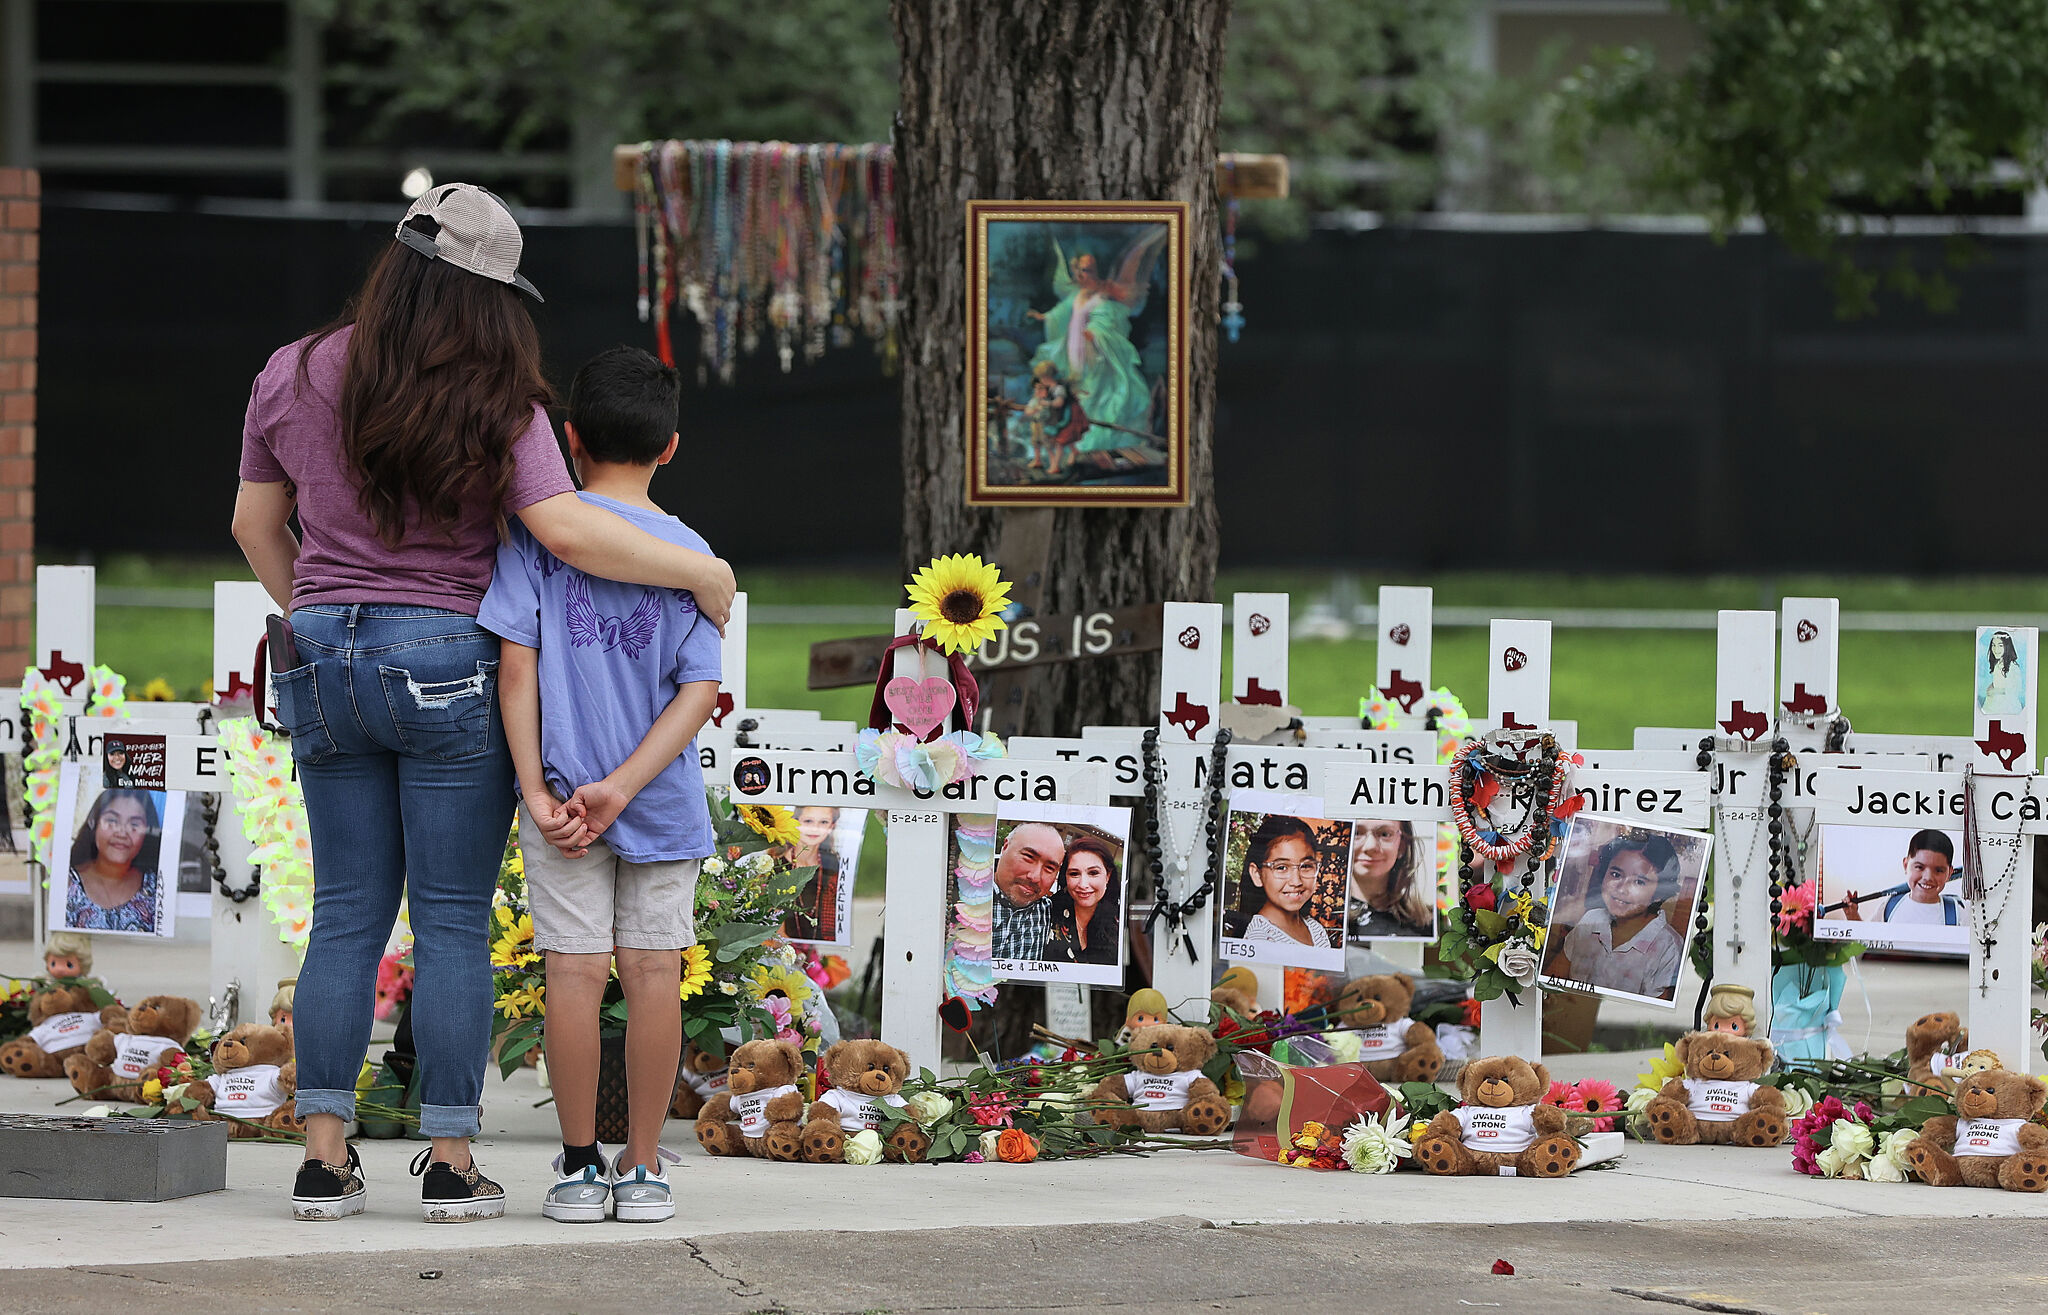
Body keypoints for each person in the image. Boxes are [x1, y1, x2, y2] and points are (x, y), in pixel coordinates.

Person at [233, 183, 735, 1225]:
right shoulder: (498, 394)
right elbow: (564, 531)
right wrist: (704, 575)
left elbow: (252, 522)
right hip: (450, 661)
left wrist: (330, 620)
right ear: (487, 295)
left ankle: (323, 1160)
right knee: (453, 916)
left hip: (321, 650)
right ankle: (452, 1162)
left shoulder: (293, 367)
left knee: (344, 914)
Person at [482, 345, 723, 1225]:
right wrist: (625, 785)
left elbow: (517, 671)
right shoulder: (693, 555)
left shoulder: (540, 540)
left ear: (569, 438)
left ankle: (580, 1166)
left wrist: (538, 794)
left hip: (560, 803)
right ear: (669, 449)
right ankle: (647, 1164)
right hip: (655, 801)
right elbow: (701, 689)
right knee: (656, 969)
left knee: (573, 974)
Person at [1547, 834, 1686, 999]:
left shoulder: (1669, 947)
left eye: (1639, 882)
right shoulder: (1591, 919)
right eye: (1616, 874)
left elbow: (1652, 1017)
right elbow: (1552, 981)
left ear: (1658, 894)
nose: (1621, 888)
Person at [1222, 816, 1335, 949]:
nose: (1296, 881)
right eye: (1281, 867)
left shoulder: (1315, 929)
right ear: (1257, 874)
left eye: (1306, 866)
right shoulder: (1259, 938)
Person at [65, 790, 162, 934]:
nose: (122, 832)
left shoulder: (157, 887)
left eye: (134, 824)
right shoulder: (67, 884)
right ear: (94, 824)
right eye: (112, 821)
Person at [1842, 829, 1964, 926]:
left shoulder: (1958, 912)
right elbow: (1867, 944)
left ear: (1949, 873)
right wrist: (1853, 916)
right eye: (1919, 867)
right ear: (1906, 865)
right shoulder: (1891, 905)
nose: (1928, 877)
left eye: (1938, 870)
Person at [1346, 819, 1435, 941]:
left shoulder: (1425, 923)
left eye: (1385, 834)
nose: (1370, 846)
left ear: (1402, 846)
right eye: (1356, 833)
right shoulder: (1321, 920)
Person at [1042, 834, 1121, 967]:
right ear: (1065, 877)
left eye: (1093, 873)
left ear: (1108, 876)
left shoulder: (1121, 920)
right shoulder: (1046, 912)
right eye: (1074, 874)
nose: (1083, 884)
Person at [991, 822, 1064, 961]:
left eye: (1049, 868)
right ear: (1005, 847)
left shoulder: (1049, 910)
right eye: (1028, 857)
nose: (1035, 877)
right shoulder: (961, 898)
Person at [779, 807, 843, 943]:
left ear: (832, 826)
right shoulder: (777, 867)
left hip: (823, 951)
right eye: (808, 821)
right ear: (795, 822)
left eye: (823, 822)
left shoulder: (833, 865)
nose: (815, 828)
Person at [1980, 630, 2024, 714]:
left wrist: (1996, 691)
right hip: (1994, 700)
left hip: (2007, 703)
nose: (1996, 649)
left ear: (2007, 647)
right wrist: (1991, 686)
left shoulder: (2013, 666)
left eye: (2000, 646)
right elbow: (1999, 681)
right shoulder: (1997, 664)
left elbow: (2016, 688)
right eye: (1993, 645)